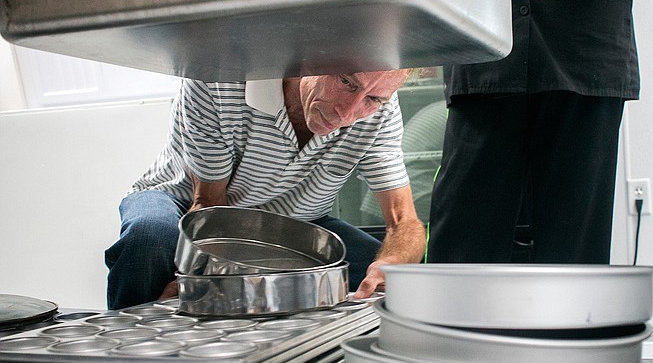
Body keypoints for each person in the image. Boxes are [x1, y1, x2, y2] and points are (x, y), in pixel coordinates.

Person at [105, 69, 428, 310]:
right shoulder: (218, 78)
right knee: (147, 238)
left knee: (394, 283)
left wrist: (393, 264)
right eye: (345, 81)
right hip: (185, 204)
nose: (347, 114)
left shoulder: (381, 111)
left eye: (372, 99)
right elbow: (209, 206)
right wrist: (195, 282)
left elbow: (405, 223)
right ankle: (125, 355)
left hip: (293, 223)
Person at [426, 0, 653, 265]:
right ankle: (451, 314)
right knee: (463, 241)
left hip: (582, 51)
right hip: (485, 46)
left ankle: (575, 315)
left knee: (575, 251)